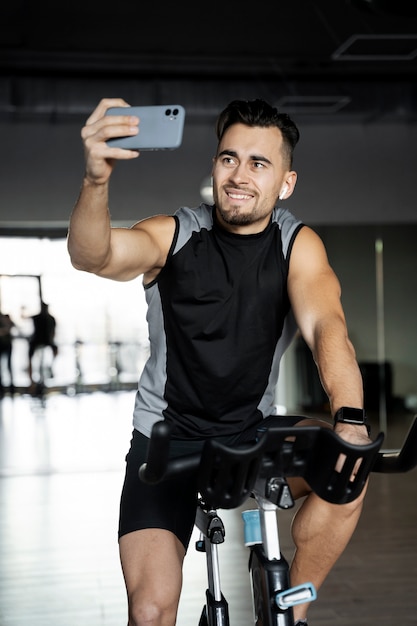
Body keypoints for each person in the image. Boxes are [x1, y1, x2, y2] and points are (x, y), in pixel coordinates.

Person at [67, 97, 372, 626]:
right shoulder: (174, 235)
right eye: (229, 158)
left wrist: (349, 416)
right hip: (166, 442)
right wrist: (96, 181)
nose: (240, 174)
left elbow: (328, 328)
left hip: (249, 435)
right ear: (213, 166)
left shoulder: (296, 246)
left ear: (286, 182)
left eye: (259, 163)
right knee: (151, 610)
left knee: (348, 470)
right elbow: (92, 255)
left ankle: (291, 611)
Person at [27, 301, 58, 384]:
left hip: (45, 341)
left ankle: (51, 365)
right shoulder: (39, 317)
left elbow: (53, 333)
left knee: (55, 349)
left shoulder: (51, 319)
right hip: (38, 340)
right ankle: (30, 378)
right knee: (29, 357)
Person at [0, 311, 15, 395]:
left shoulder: (6, 318)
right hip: (3, 345)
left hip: (7, 345)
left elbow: (12, 326)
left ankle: (11, 385)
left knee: (9, 366)